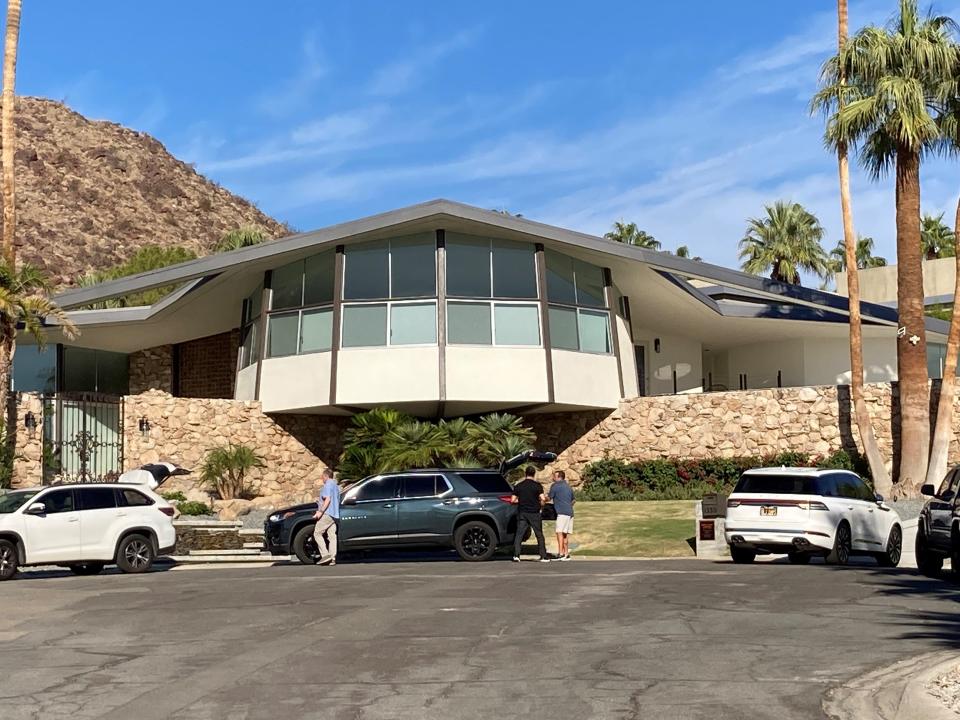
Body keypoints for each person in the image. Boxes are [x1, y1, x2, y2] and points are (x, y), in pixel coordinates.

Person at [512, 466, 550, 563]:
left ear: (526, 473)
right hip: (534, 513)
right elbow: (542, 499)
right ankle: (543, 556)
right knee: (539, 534)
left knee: (519, 534)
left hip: (523, 513)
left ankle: (516, 555)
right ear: (534, 474)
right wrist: (541, 506)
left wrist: (521, 501)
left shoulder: (519, 486)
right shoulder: (537, 486)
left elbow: (513, 500)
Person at [313, 468, 340, 566]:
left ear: (325, 476)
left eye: (322, 477)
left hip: (327, 513)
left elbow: (327, 499)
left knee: (317, 533)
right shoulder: (336, 486)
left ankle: (325, 556)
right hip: (335, 514)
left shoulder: (328, 484)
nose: (322, 479)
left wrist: (320, 511)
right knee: (332, 536)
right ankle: (332, 558)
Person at [548, 470, 575, 561]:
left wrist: (541, 499)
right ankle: (566, 553)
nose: (553, 478)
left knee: (559, 532)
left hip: (562, 513)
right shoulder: (568, 487)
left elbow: (549, 497)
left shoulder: (555, 486)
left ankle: (560, 553)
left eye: (555, 476)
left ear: (559, 477)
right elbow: (573, 500)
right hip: (570, 512)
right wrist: (568, 505)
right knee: (565, 534)